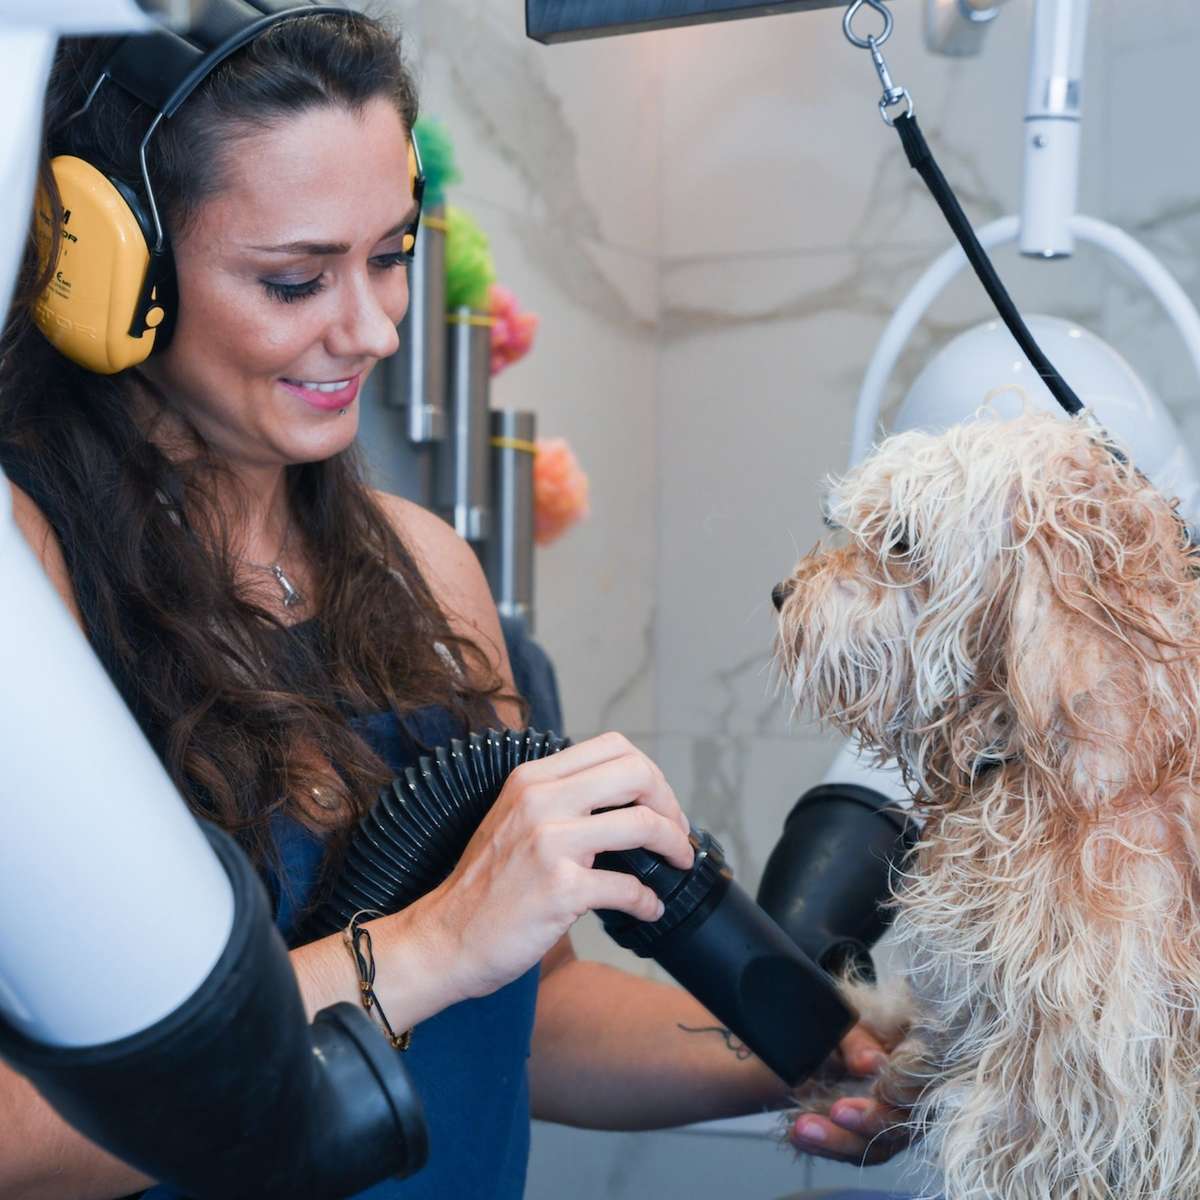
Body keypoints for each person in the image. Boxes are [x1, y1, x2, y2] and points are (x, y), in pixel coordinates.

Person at [0, 9, 901, 1197]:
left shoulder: (429, 572)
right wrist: (434, 942)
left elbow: (534, 1019)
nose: (371, 328)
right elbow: (17, 1136)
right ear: (114, 275)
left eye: (389, 253)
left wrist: (822, 1060)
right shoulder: (29, 585)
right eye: (294, 279)